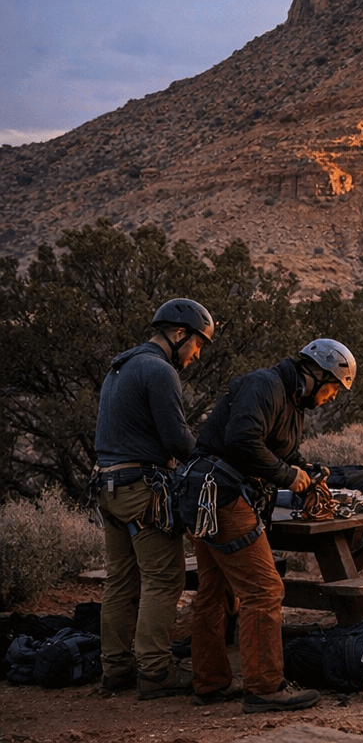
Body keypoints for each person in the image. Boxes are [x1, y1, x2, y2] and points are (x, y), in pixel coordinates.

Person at [182, 338, 356, 713]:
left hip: (209, 495)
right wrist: (285, 475)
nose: (332, 397)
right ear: (318, 373)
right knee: (264, 590)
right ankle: (265, 687)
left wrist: (305, 470)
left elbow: (280, 451)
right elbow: (242, 441)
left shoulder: (291, 401)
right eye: (333, 388)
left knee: (216, 592)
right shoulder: (266, 385)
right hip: (223, 494)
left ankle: (210, 683)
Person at [94, 298, 215, 699]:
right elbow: (177, 439)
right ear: (179, 334)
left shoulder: (120, 366)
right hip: (141, 491)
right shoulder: (159, 371)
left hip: (108, 488)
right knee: (164, 578)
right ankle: (157, 672)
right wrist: (212, 462)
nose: (196, 356)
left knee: (120, 582)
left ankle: (116, 670)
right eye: (197, 345)